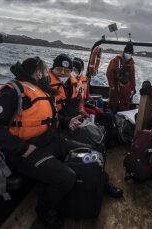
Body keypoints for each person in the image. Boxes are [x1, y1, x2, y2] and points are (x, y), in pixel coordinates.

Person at [0, 57, 83, 228]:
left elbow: (46, 120)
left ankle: (102, 181)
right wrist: (22, 148)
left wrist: (67, 122)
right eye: (44, 72)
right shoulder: (14, 92)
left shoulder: (39, 91)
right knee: (66, 177)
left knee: (85, 150)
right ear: (37, 73)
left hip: (43, 142)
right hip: (18, 152)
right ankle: (44, 210)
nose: (47, 76)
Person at [49, 54, 123, 198]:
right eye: (59, 70)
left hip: (72, 122)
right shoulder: (44, 84)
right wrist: (67, 121)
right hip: (56, 129)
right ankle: (102, 182)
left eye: (66, 71)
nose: (63, 74)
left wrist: (80, 115)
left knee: (99, 139)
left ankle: (100, 180)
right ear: (52, 69)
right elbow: (46, 114)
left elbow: (77, 101)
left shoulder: (72, 83)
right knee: (93, 148)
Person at [106, 42, 136, 112]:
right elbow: (109, 73)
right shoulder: (116, 60)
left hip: (126, 89)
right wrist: (112, 86)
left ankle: (122, 120)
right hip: (116, 87)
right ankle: (111, 118)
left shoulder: (132, 64)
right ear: (124, 52)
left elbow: (132, 76)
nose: (128, 54)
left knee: (125, 106)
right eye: (127, 52)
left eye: (130, 53)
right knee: (113, 105)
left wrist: (133, 88)